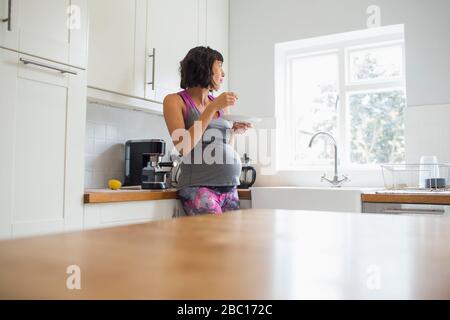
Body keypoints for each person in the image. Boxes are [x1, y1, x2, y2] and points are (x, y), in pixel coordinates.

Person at [163, 46, 251, 215]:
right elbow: (183, 147)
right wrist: (212, 108)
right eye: (219, 66)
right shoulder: (175, 101)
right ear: (204, 67)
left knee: (232, 241)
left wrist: (233, 131)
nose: (223, 74)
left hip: (229, 186)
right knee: (215, 240)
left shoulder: (220, 105)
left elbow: (226, 146)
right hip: (199, 187)